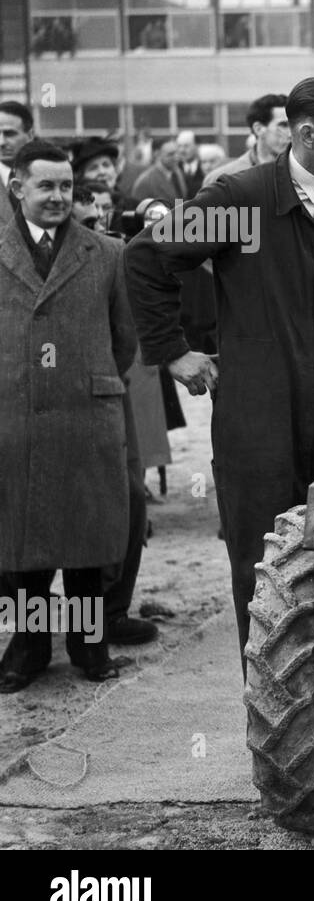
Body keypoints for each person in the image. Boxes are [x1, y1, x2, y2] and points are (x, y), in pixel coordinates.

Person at [125, 77, 314, 664]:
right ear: (306, 134)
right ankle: (273, 706)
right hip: (257, 420)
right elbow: (146, 257)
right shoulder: (239, 202)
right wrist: (173, 352)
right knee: (263, 563)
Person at [1, 141, 137, 691]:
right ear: (18, 189)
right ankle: (29, 648)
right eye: (46, 186)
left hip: (86, 413)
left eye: (65, 186)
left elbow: (123, 341)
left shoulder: (106, 253)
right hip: (15, 417)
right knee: (23, 540)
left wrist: (87, 380)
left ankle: (89, 645)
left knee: (86, 538)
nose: (58, 197)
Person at [204, 92, 290, 186]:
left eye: (294, 125)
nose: (291, 134)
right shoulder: (223, 180)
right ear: (258, 129)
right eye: (283, 125)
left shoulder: (304, 175)